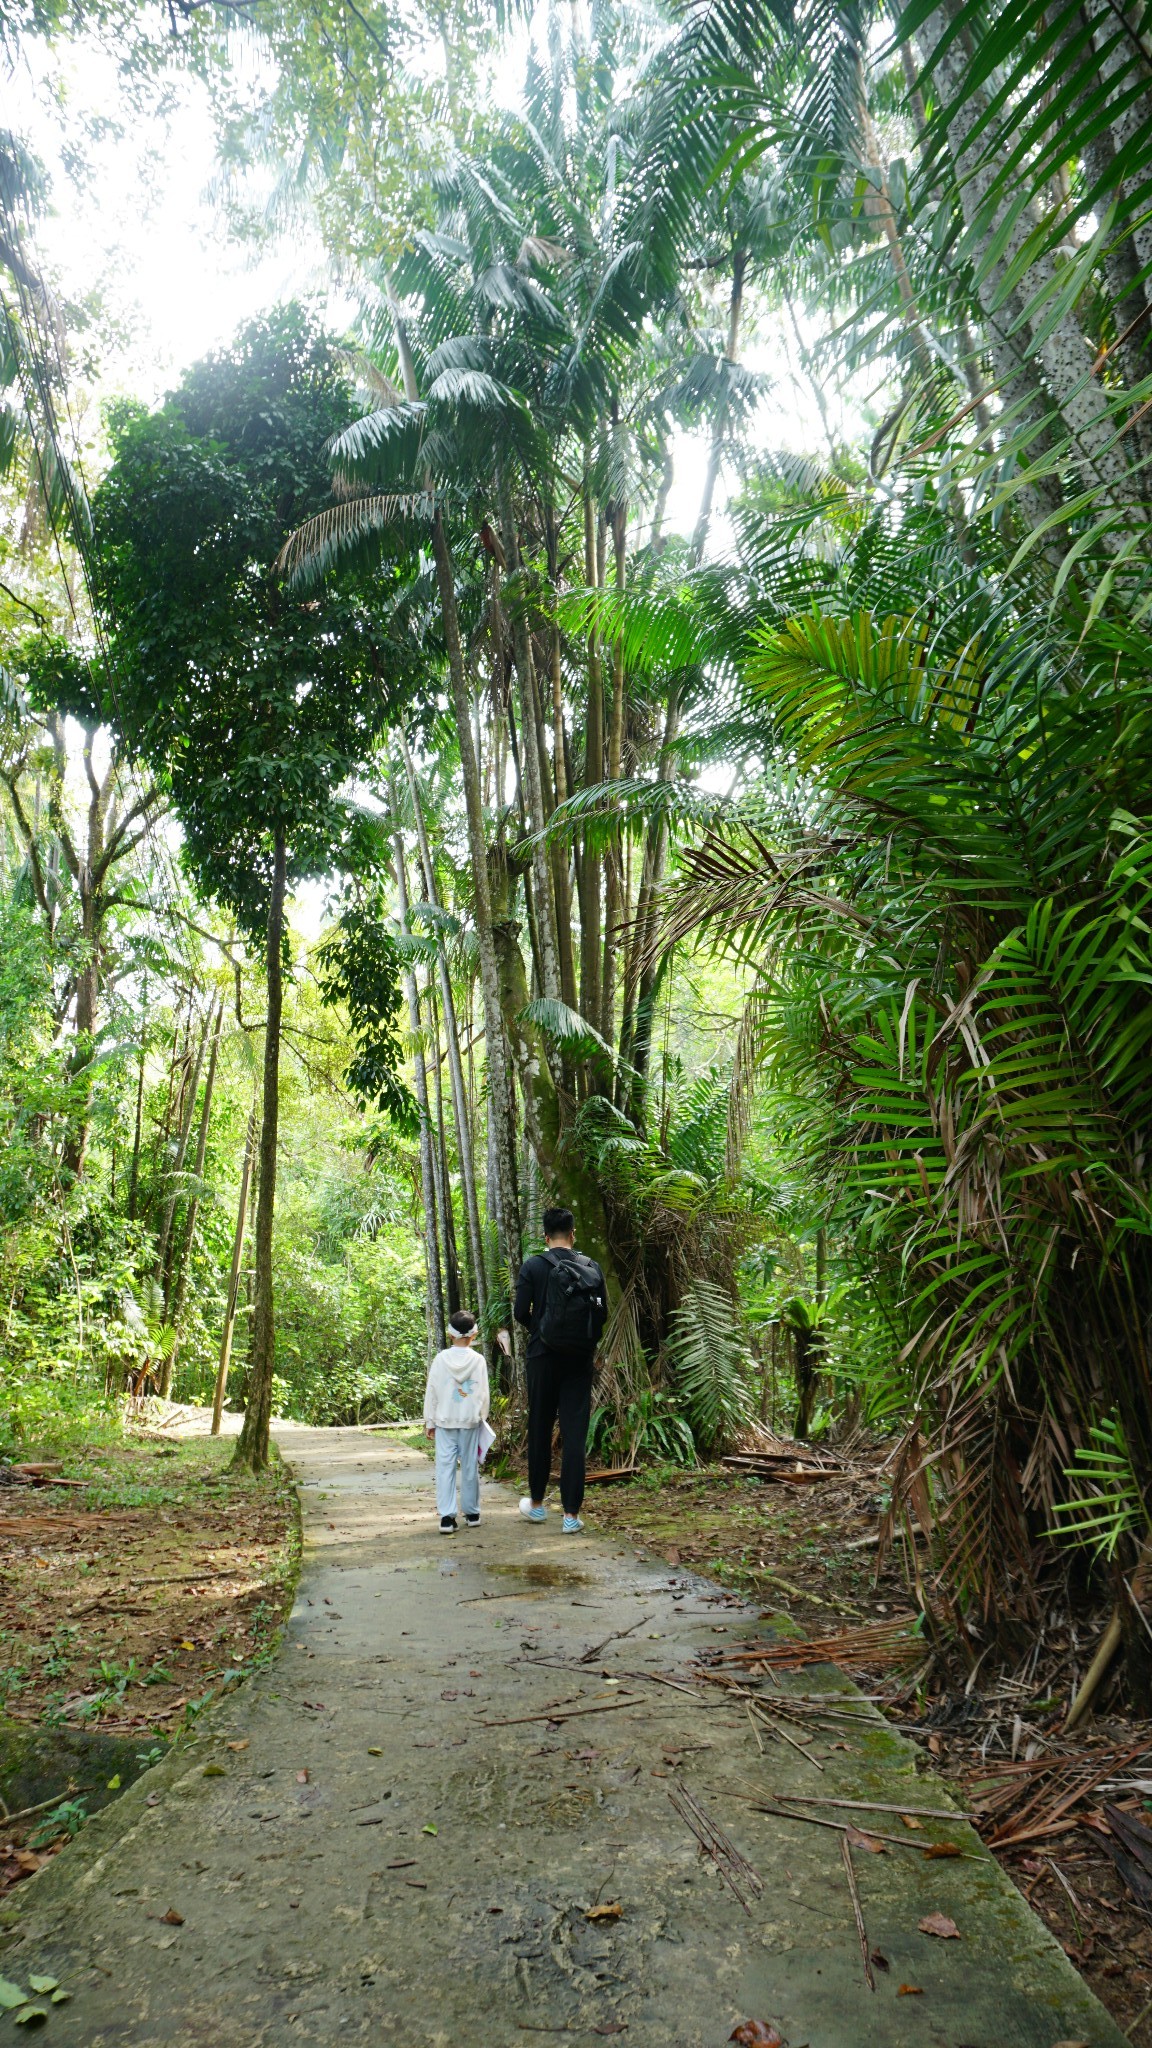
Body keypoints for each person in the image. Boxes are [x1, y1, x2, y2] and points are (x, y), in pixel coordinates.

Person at [514, 1206, 608, 1535]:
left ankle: (537, 1506)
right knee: (574, 1435)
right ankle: (571, 1516)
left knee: (540, 1427)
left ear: (545, 1236)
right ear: (572, 1234)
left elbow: (518, 1312)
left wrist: (541, 1329)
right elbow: (602, 1314)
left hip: (542, 1356)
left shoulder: (533, 1266)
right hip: (578, 1360)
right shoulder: (590, 1267)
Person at [423, 1309, 490, 1534]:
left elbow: (432, 1391)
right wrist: (482, 1417)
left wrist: (429, 1421)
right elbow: (483, 1393)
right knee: (470, 1466)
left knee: (445, 1468)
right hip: (469, 1421)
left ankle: (447, 1518)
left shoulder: (441, 1359)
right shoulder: (478, 1360)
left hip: (444, 1420)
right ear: (474, 1333)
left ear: (450, 1334)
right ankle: (472, 1513)